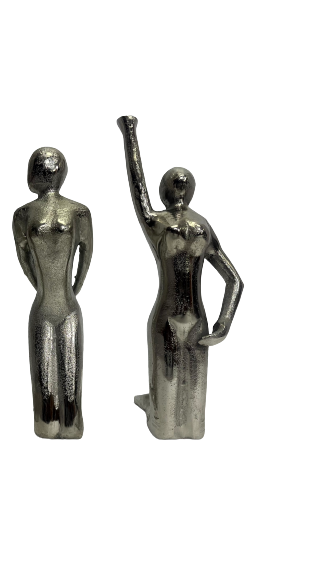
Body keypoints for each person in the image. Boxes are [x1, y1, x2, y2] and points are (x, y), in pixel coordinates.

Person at [117, 115, 243, 439]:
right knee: (193, 412)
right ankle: (187, 426)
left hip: (168, 317)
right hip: (198, 319)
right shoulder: (203, 227)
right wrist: (223, 323)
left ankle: (157, 413)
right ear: (191, 192)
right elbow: (235, 280)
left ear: (164, 193)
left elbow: (137, 189)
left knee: (165, 404)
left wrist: (129, 133)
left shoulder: (160, 223)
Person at [13, 147, 93, 439]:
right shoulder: (74, 212)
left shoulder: (28, 214)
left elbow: (25, 261)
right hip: (60, 303)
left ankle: (65, 426)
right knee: (48, 405)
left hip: (53, 303)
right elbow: (85, 257)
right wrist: (72, 289)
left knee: (68, 405)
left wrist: (48, 287)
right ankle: (57, 426)